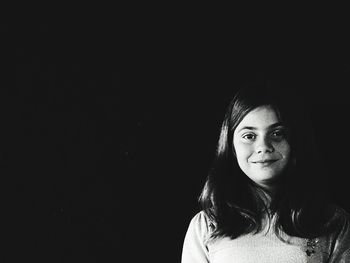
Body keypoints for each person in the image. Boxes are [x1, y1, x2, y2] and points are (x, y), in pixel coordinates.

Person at [181, 78, 350, 262]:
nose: (263, 146)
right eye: (249, 136)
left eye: (277, 133)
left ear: (295, 141)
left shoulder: (332, 221)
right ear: (231, 146)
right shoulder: (206, 226)